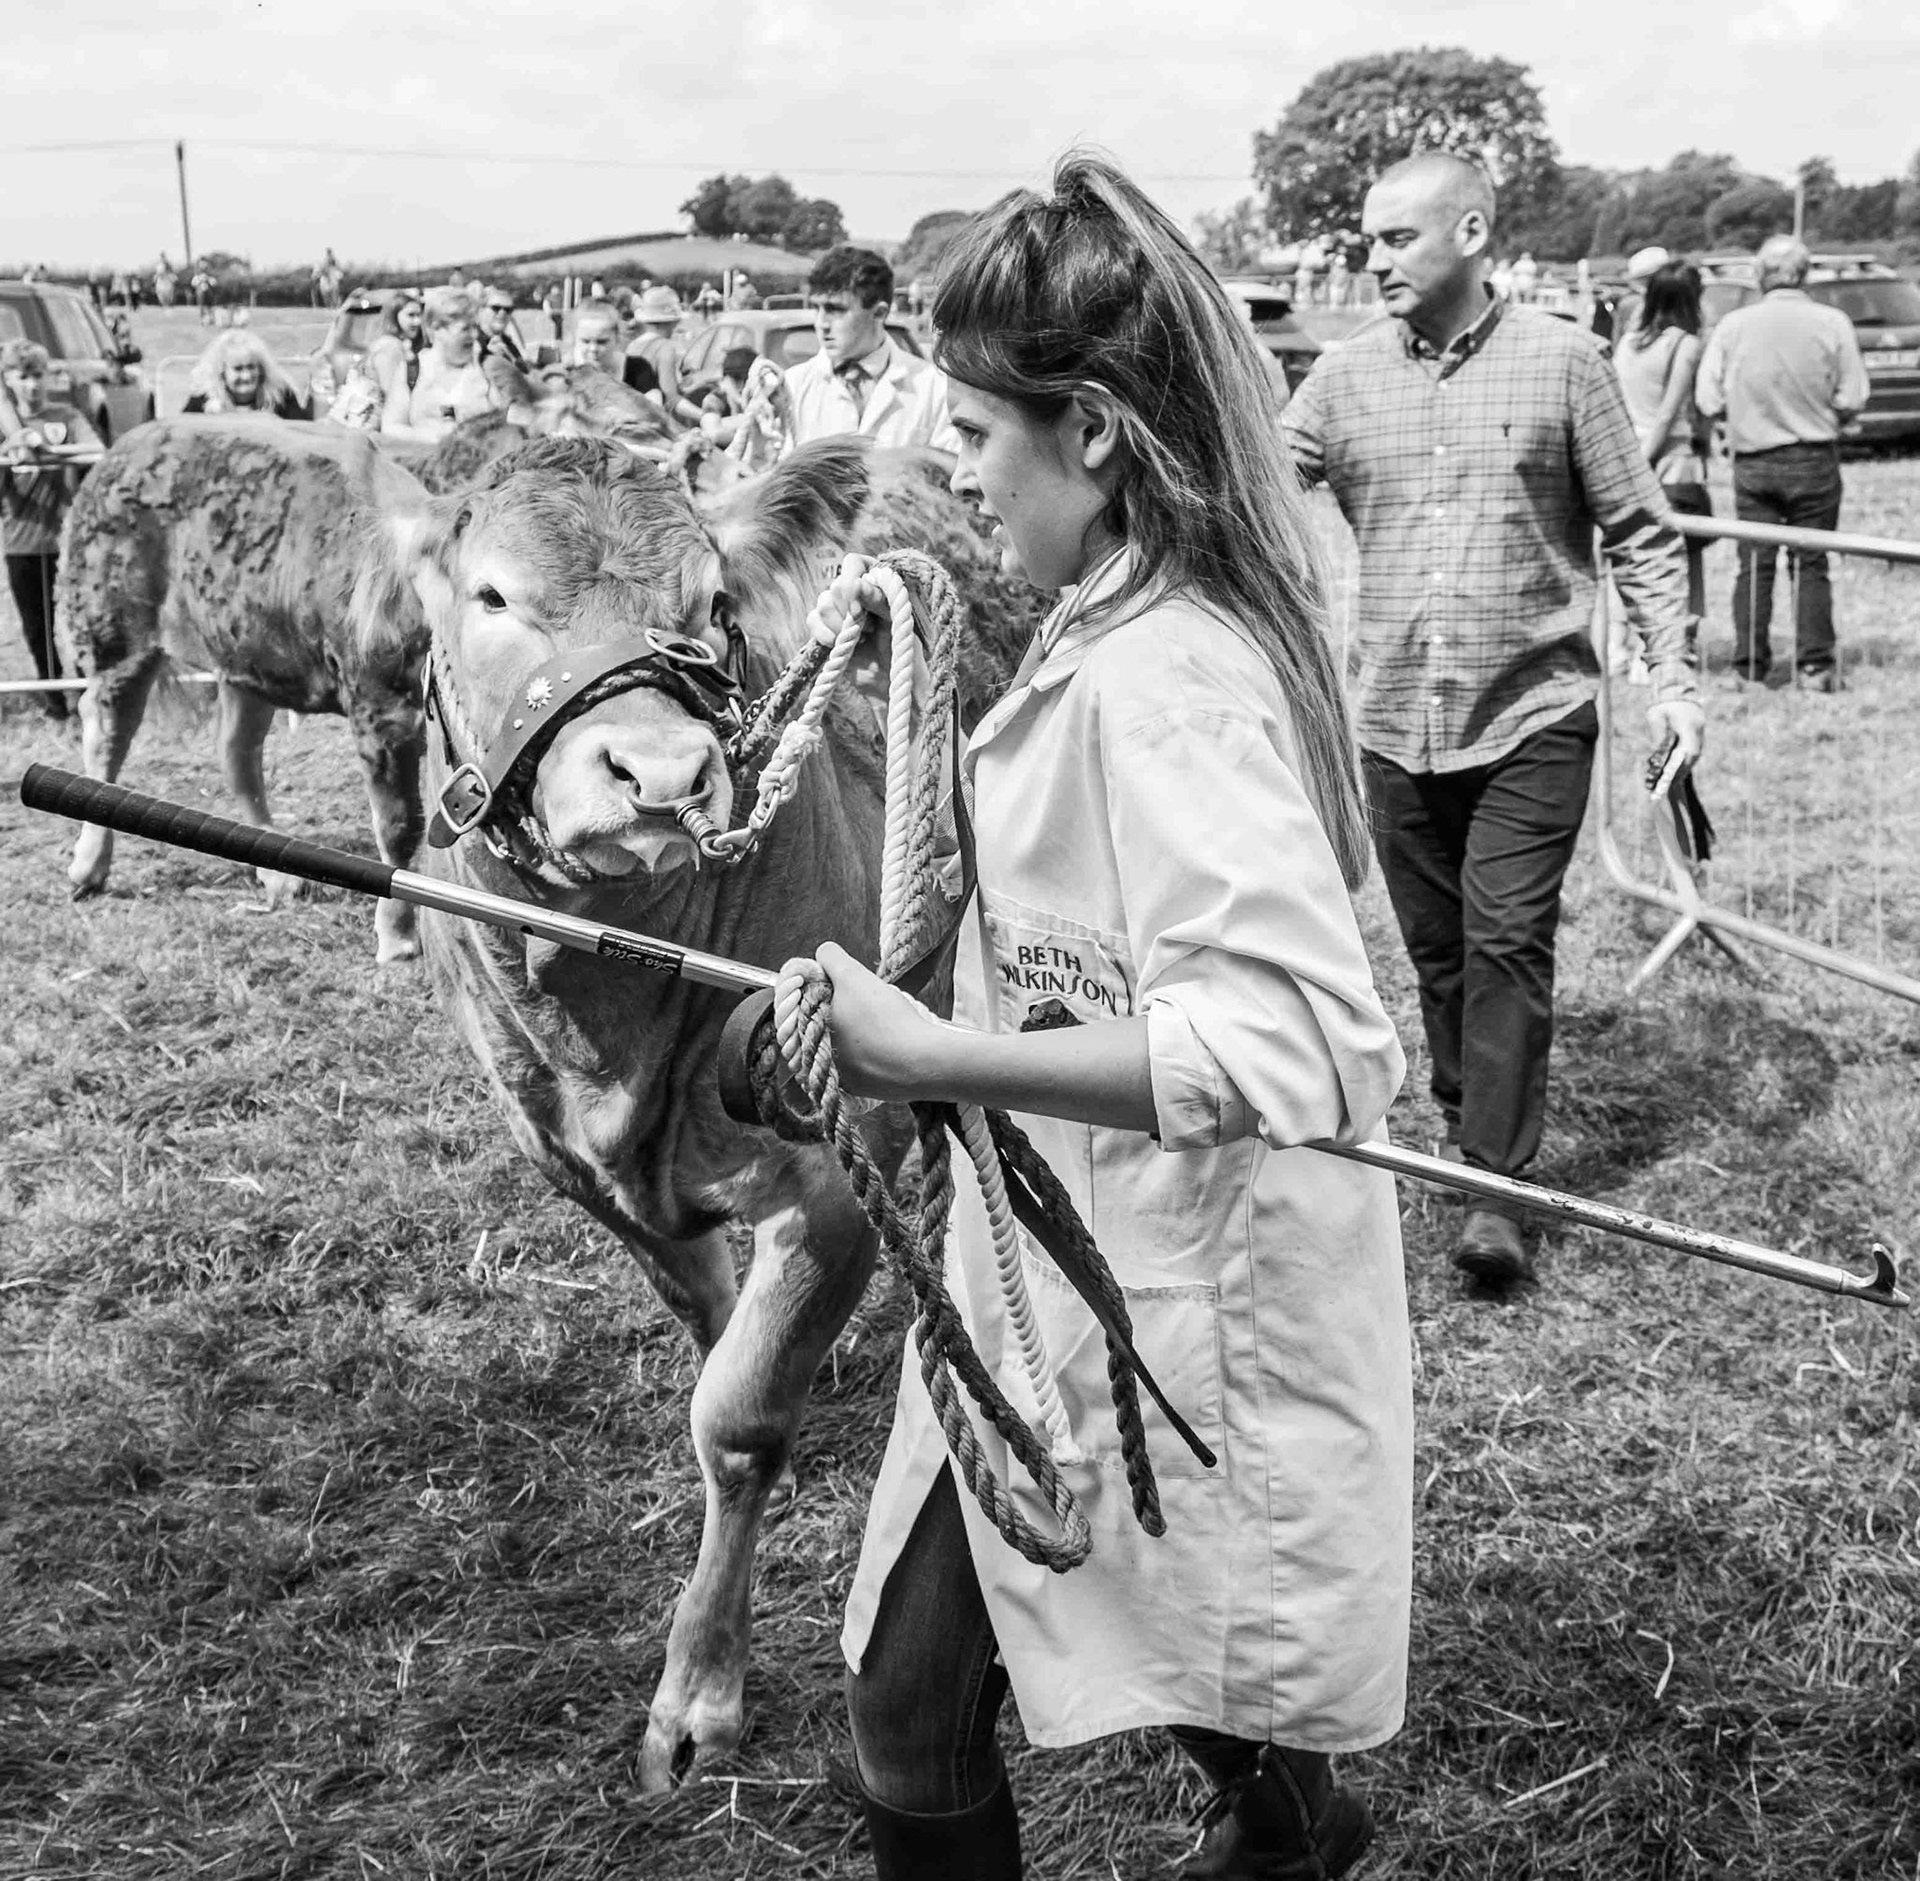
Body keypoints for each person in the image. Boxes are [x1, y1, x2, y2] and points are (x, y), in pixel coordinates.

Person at [810, 152, 1412, 1881]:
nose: (945, 457)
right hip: (1055, 1260)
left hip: (1170, 1277)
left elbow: (1299, 1043)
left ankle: (1296, 1828)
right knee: (941, 1687)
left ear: (1088, 434)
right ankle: (1298, 1822)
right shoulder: (1112, 622)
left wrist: (934, 1058)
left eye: (976, 427)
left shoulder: (1172, 682)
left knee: (915, 1711)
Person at [1283, 152, 1704, 1291]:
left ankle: (1494, 1188)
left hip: (1534, 714)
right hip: (1392, 722)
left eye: (1396, 240)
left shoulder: (1564, 361)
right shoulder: (1345, 375)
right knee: (1436, 954)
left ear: (1470, 234)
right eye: (1366, 240)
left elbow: (1641, 530)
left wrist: (1675, 682)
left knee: (1507, 939)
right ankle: (1477, 1111)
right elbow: (1261, 486)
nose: (1372, 261)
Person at [1695, 235, 1870, 691]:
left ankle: (1749, 667)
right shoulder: (1832, 322)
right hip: (1813, 456)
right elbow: (1853, 395)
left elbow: (1707, 396)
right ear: (1806, 273)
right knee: (1812, 563)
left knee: (1753, 565)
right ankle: (1814, 667)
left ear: (1759, 276)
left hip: (1753, 460)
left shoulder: (1733, 326)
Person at [1612, 260, 1712, 649]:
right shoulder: (1684, 345)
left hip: (1626, 452)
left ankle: (1625, 642)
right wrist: (1646, 461)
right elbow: (1668, 413)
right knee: (1682, 557)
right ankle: (1673, 641)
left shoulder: (1629, 343)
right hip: (1669, 461)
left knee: (1636, 554)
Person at [779, 245, 958, 460]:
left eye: (835, 309)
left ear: (879, 313)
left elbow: (948, 472)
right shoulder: (793, 385)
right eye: (816, 308)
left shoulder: (932, 387)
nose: (821, 323)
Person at [0, 340, 101, 721]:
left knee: (78, 621)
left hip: (68, 540)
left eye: (38, 375)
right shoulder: (4, 425)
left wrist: (52, 452)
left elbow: (96, 451)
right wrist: (11, 452)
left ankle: (87, 693)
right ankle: (56, 704)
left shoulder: (66, 415)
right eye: (22, 377)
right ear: (9, 380)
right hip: (21, 542)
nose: (32, 385)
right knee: (36, 628)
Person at [380, 288, 491, 442]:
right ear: (436, 328)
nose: (474, 335)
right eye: (465, 329)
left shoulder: (485, 368)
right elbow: (391, 427)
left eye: (475, 327)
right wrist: (434, 438)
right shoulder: (411, 371)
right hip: (423, 462)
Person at [181, 330, 310, 418]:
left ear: (261, 368)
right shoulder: (202, 400)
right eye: (238, 369)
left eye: (251, 367)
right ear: (222, 372)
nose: (246, 376)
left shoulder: (281, 396)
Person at [628, 287, 702, 423]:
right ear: (673, 321)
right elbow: (671, 399)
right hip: (656, 423)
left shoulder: (633, 346)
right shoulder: (665, 347)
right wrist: (704, 416)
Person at [572, 300, 658, 398]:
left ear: (617, 338)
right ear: (575, 339)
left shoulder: (638, 369)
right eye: (586, 341)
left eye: (602, 342)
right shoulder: (565, 374)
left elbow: (655, 408)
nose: (593, 348)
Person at [364, 289, 427, 405]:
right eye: (411, 315)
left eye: (419, 315)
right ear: (394, 316)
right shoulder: (389, 346)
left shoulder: (402, 345)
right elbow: (392, 394)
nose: (417, 321)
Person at [477, 287, 528, 371]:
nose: (502, 313)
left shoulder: (507, 343)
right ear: (481, 310)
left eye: (508, 310)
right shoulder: (473, 344)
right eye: (496, 308)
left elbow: (524, 373)